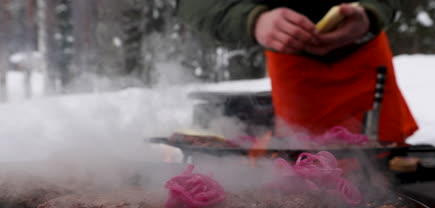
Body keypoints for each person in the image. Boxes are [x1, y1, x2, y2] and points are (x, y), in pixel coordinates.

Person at [177, 0, 418, 143]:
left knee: (383, 163)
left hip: (364, 55)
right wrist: (253, 21)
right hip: (292, 63)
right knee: (306, 169)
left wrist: (371, 13)